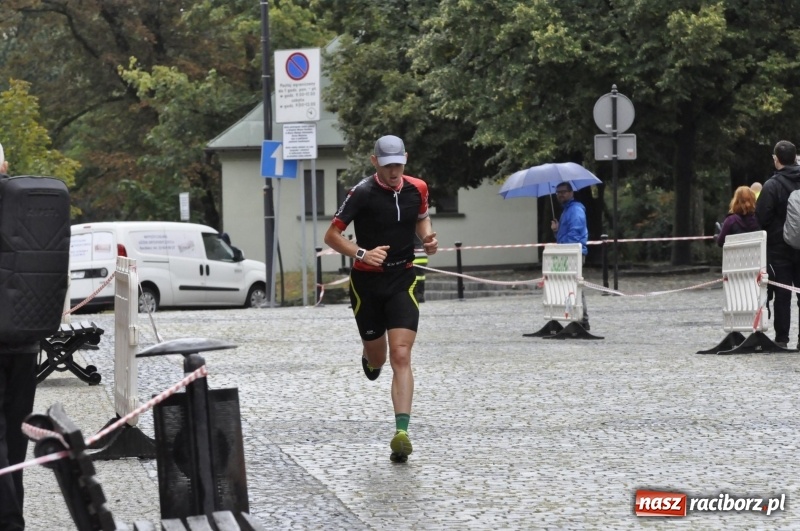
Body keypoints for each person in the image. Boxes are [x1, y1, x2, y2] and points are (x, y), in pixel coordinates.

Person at [323, 135, 438, 463]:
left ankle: (402, 432)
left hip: (402, 279)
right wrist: (361, 252)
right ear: (375, 162)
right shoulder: (362, 193)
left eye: (398, 164)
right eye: (387, 165)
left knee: (401, 355)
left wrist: (427, 237)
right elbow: (331, 235)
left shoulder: (418, 188)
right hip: (367, 285)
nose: (393, 171)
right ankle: (370, 356)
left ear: (405, 159)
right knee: (380, 359)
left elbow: (421, 217)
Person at [0, 157, 41, 531]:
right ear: (6, 165)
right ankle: (14, 517)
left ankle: (10, 521)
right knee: (16, 436)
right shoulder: (33, 201)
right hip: (25, 338)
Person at [755, 140, 800, 348]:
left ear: (776, 159)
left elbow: (761, 217)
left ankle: (782, 339)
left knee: (782, 294)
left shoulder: (772, 185)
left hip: (779, 248)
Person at [550, 182, 590, 330]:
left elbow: (575, 233)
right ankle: (578, 319)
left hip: (574, 253)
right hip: (568, 252)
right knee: (570, 287)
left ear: (571, 192)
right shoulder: (566, 211)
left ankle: (582, 321)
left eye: (564, 191)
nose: (560, 194)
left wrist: (565, 248)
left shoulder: (575, 209)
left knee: (575, 286)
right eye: (558, 192)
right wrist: (556, 231)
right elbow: (566, 234)